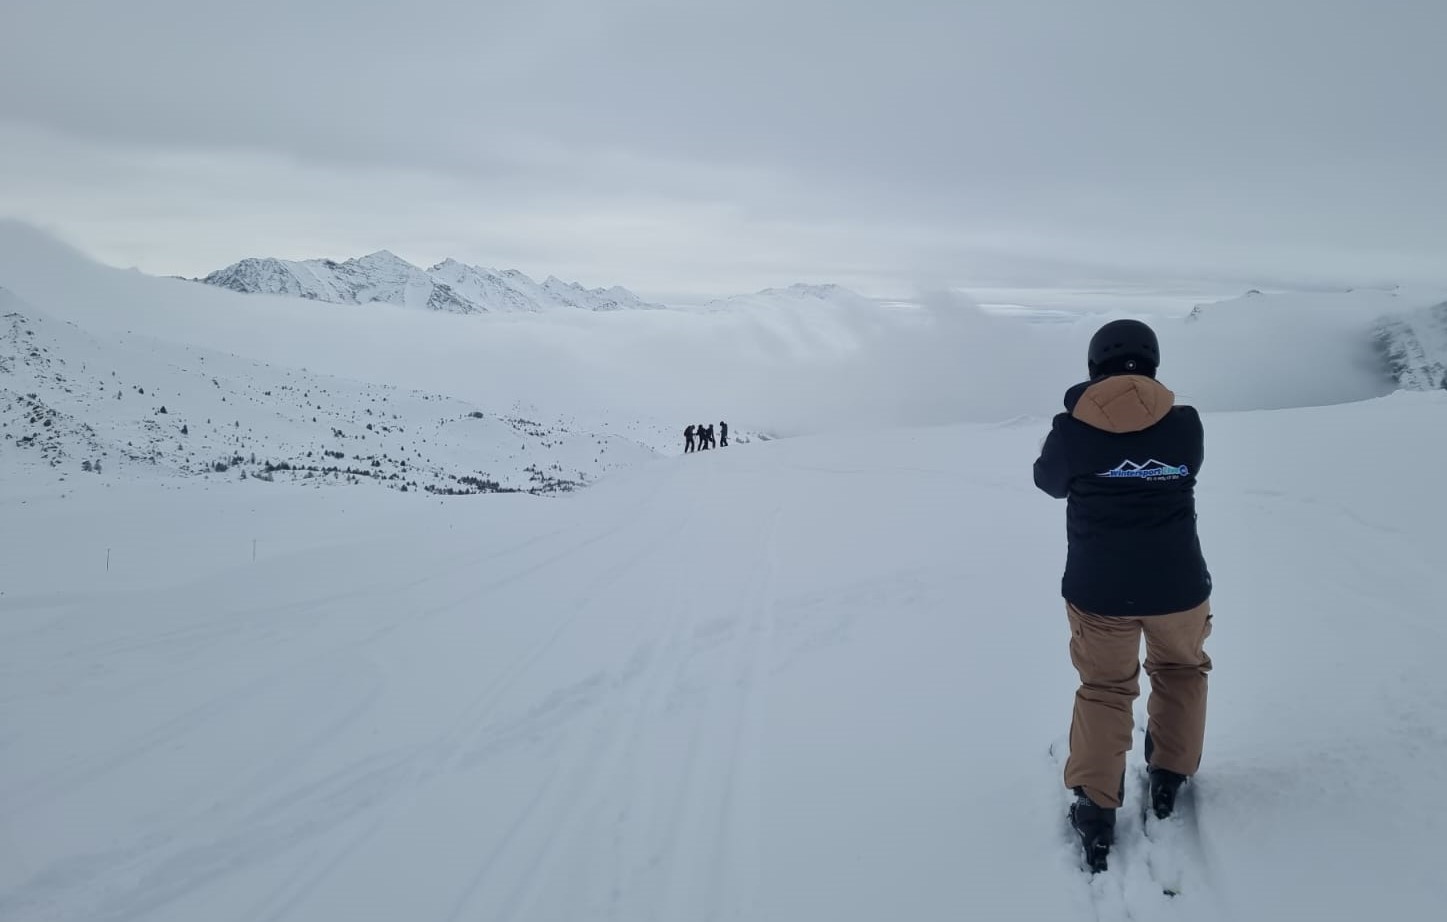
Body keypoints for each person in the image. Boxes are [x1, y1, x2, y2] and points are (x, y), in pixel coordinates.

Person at [1032, 318, 1213, 872]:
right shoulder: (1185, 425)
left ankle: (1095, 805)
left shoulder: (1071, 430)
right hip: (1179, 587)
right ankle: (1170, 774)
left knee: (1106, 688)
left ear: (1094, 365)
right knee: (1181, 671)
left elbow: (1047, 481)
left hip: (1100, 591)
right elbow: (1190, 468)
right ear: (1153, 362)